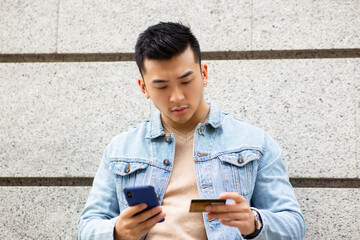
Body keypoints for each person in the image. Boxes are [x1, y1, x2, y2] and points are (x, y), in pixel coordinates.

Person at [77, 22, 305, 240]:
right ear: (143, 87)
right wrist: (117, 232)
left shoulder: (254, 143)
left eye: (186, 81)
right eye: (162, 86)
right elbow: (86, 228)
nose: (177, 97)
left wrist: (254, 223)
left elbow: (294, 226)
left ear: (204, 73)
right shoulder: (120, 149)